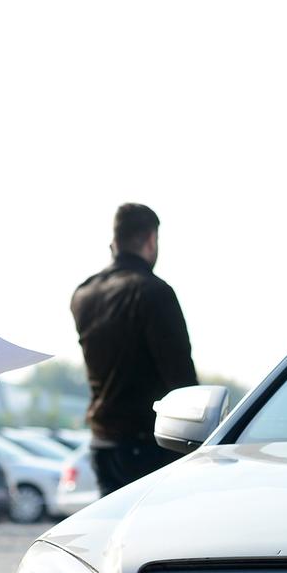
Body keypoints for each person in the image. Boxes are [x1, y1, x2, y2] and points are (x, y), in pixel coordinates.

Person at [71, 203, 196, 496]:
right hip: (149, 446)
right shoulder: (154, 292)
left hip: (102, 443)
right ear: (151, 239)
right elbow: (182, 381)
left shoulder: (84, 293)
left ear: (114, 241)